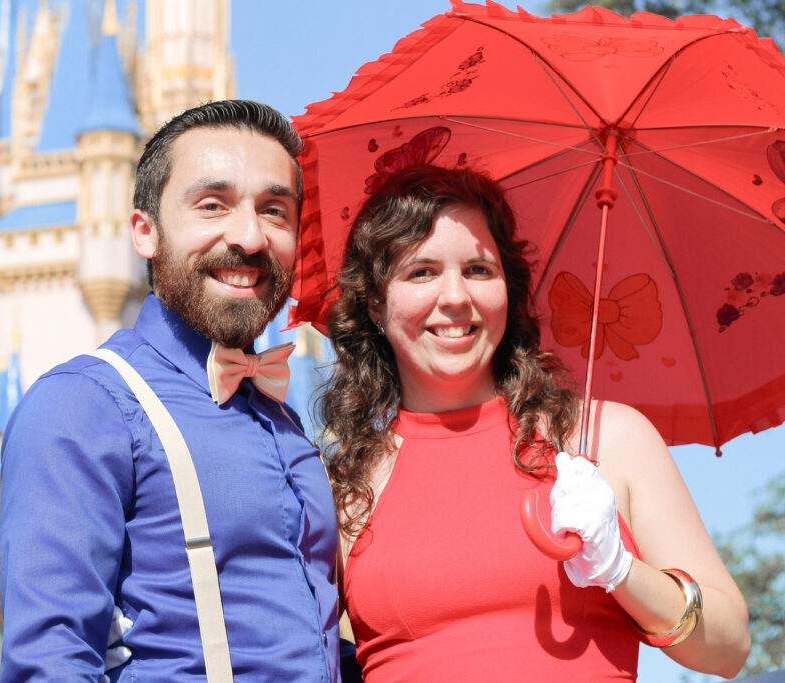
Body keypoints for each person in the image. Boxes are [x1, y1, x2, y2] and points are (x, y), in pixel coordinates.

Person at [320, 164, 751, 680]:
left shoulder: (606, 438)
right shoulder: (344, 487)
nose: (456, 297)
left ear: (510, 289)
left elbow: (729, 647)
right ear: (374, 304)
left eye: (479, 270)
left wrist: (620, 569)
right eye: (422, 272)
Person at [0, 100, 340, 681]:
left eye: (275, 211)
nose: (250, 237)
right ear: (145, 231)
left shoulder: (284, 419)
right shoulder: (84, 405)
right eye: (214, 205)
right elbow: (50, 660)